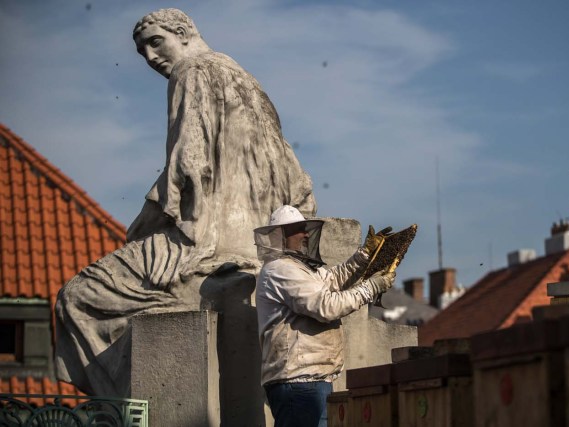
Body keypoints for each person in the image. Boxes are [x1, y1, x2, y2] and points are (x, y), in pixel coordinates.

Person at [55, 9, 315, 397]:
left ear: (185, 31)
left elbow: (188, 163)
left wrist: (144, 222)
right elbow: (296, 175)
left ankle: (135, 407)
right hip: (261, 240)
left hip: (204, 239)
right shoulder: (247, 79)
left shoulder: (190, 72)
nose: (151, 57)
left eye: (156, 42)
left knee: (76, 297)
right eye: (142, 51)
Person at [254, 205, 396, 427]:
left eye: (305, 228)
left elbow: (332, 279)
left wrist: (365, 254)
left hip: (310, 380)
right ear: (280, 235)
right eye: (299, 229)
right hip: (298, 382)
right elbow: (326, 306)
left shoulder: (299, 268)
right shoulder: (280, 269)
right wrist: (370, 288)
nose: (306, 234)